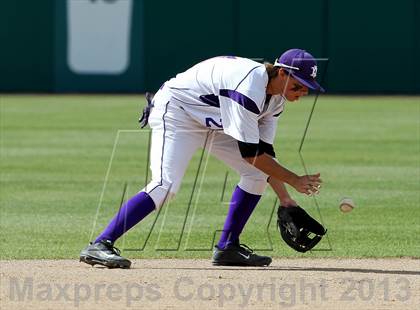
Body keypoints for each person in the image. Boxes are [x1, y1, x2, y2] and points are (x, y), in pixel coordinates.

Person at [80, 48, 324, 269]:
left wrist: (285, 200)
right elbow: (252, 155)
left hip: (212, 119)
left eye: (307, 87)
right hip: (177, 112)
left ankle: (228, 247)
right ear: (281, 73)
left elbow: (264, 152)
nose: (302, 92)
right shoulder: (248, 88)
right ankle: (101, 244)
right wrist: (294, 179)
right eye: (298, 85)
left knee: (257, 175)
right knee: (166, 186)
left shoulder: (276, 100)